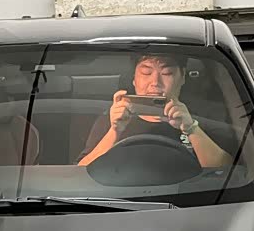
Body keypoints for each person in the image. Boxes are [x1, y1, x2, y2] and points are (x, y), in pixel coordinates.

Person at [78, 54, 235, 168]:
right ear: (134, 79)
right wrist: (115, 131)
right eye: (146, 73)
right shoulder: (113, 119)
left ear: (182, 77)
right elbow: (81, 173)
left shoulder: (205, 118)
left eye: (166, 73)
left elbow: (227, 172)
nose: (155, 82)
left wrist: (191, 128)